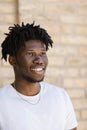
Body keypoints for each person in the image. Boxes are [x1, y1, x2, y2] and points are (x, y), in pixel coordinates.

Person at [0, 22, 78, 130]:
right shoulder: (2, 101)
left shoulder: (60, 96)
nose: (39, 60)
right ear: (13, 60)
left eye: (42, 53)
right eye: (30, 53)